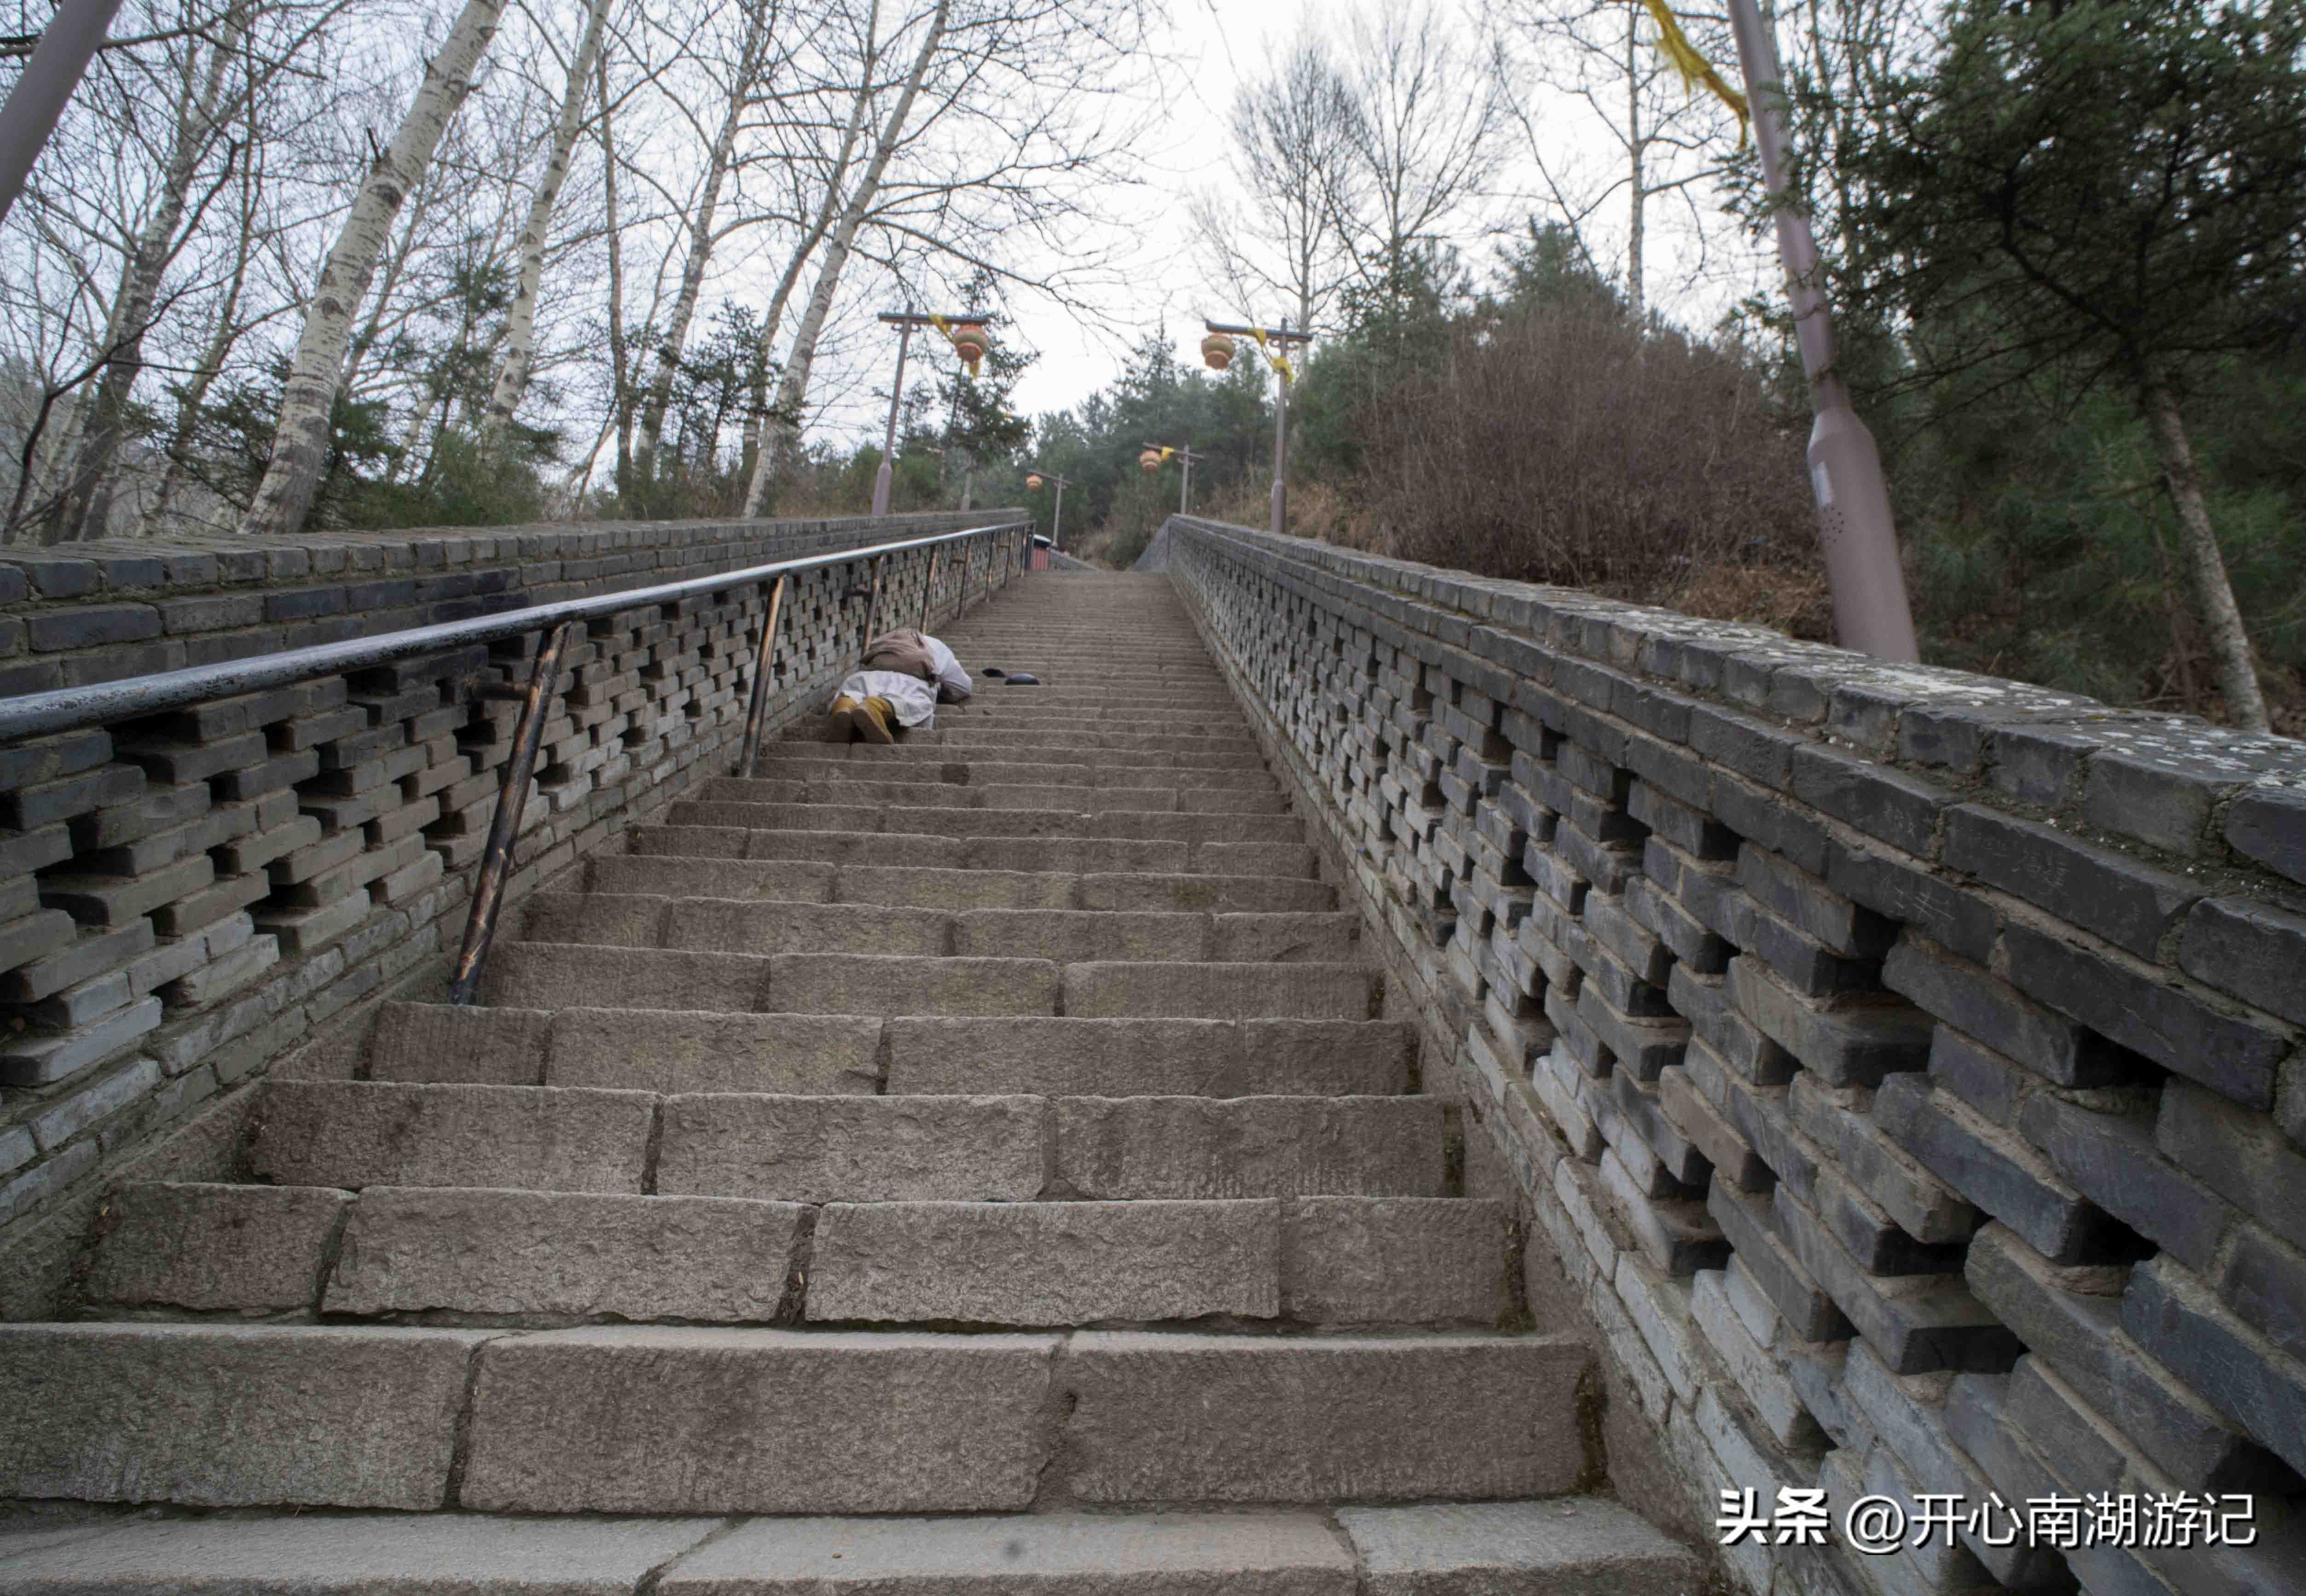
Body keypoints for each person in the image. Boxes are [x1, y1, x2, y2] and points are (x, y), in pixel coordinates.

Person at [824, 628, 973, 742]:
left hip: (865, 676)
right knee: (909, 702)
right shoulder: (939, 647)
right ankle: (876, 707)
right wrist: (943, 689)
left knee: (852, 693)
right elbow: (962, 687)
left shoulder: (886, 639)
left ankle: (844, 709)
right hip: (909, 682)